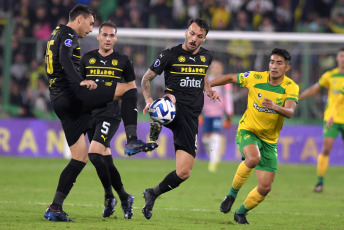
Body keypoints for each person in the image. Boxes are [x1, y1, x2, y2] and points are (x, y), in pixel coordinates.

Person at [43, 5, 156, 222]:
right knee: (129, 90)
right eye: (91, 24)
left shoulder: (55, 33)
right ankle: (132, 139)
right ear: (79, 19)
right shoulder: (68, 34)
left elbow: (55, 62)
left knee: (82, 157)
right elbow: (65, 59)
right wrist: (79, 81)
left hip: (58, 100)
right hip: (72, 96)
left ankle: (55, 207)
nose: (90, 28)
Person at [140, 18, 219, 220]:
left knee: (184, 172)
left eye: (199, 36)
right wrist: (148, 99)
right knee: (167, 103)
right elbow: (146, 78)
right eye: (192, 33)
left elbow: (203, 75)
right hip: (174, 108)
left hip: (191, 119)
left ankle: (152, 193)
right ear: (186, 32)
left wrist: (209, 90)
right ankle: (154, 130)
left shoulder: (206, 57)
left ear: (204, 38)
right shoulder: (170, 54)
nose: (194, 39)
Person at [211, 48, 299, 225]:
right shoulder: (255, 77)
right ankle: (231, 195)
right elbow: (229, 78)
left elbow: (289, 111)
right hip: (247, 130)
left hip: (269, 140)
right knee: (252, 158)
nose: (274, 66)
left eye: (279, 63)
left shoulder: (291, 87)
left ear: (287, 68)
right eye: (272, 62)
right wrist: (207, 85)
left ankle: (241, 212)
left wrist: (275, 107)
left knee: (265, 187)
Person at [79, 21, 137, 219]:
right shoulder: (87, 59)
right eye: (104, 35)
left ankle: (108, 196)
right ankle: (124, 197)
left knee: (94, 154)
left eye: (112, 35)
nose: (108, 39)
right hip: (90, 114)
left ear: (116, 38)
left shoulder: (123, 60)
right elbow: (80, 85)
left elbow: (131, 89)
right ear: (98, 37)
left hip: (110, 114)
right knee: (106, 161)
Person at [299, 48, 344, 193]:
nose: (343, 59)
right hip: (332, 118)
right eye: (341, 56)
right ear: (337, 58)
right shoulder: (330, 76)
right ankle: (319, 182)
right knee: (326, 148)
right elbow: (314, 89)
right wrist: (298, 98)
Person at [201, 60, 234, 172]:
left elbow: (228, 98)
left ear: (221, 69)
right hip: (206, 113)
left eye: (217, 67)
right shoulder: (205, 81)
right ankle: (213, 156)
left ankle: (213, 161)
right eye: (213, 67)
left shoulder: (225, 82)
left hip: (218, 113)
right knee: (206, 139)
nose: (215, 69)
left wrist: (229, 113)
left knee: (215, 136)